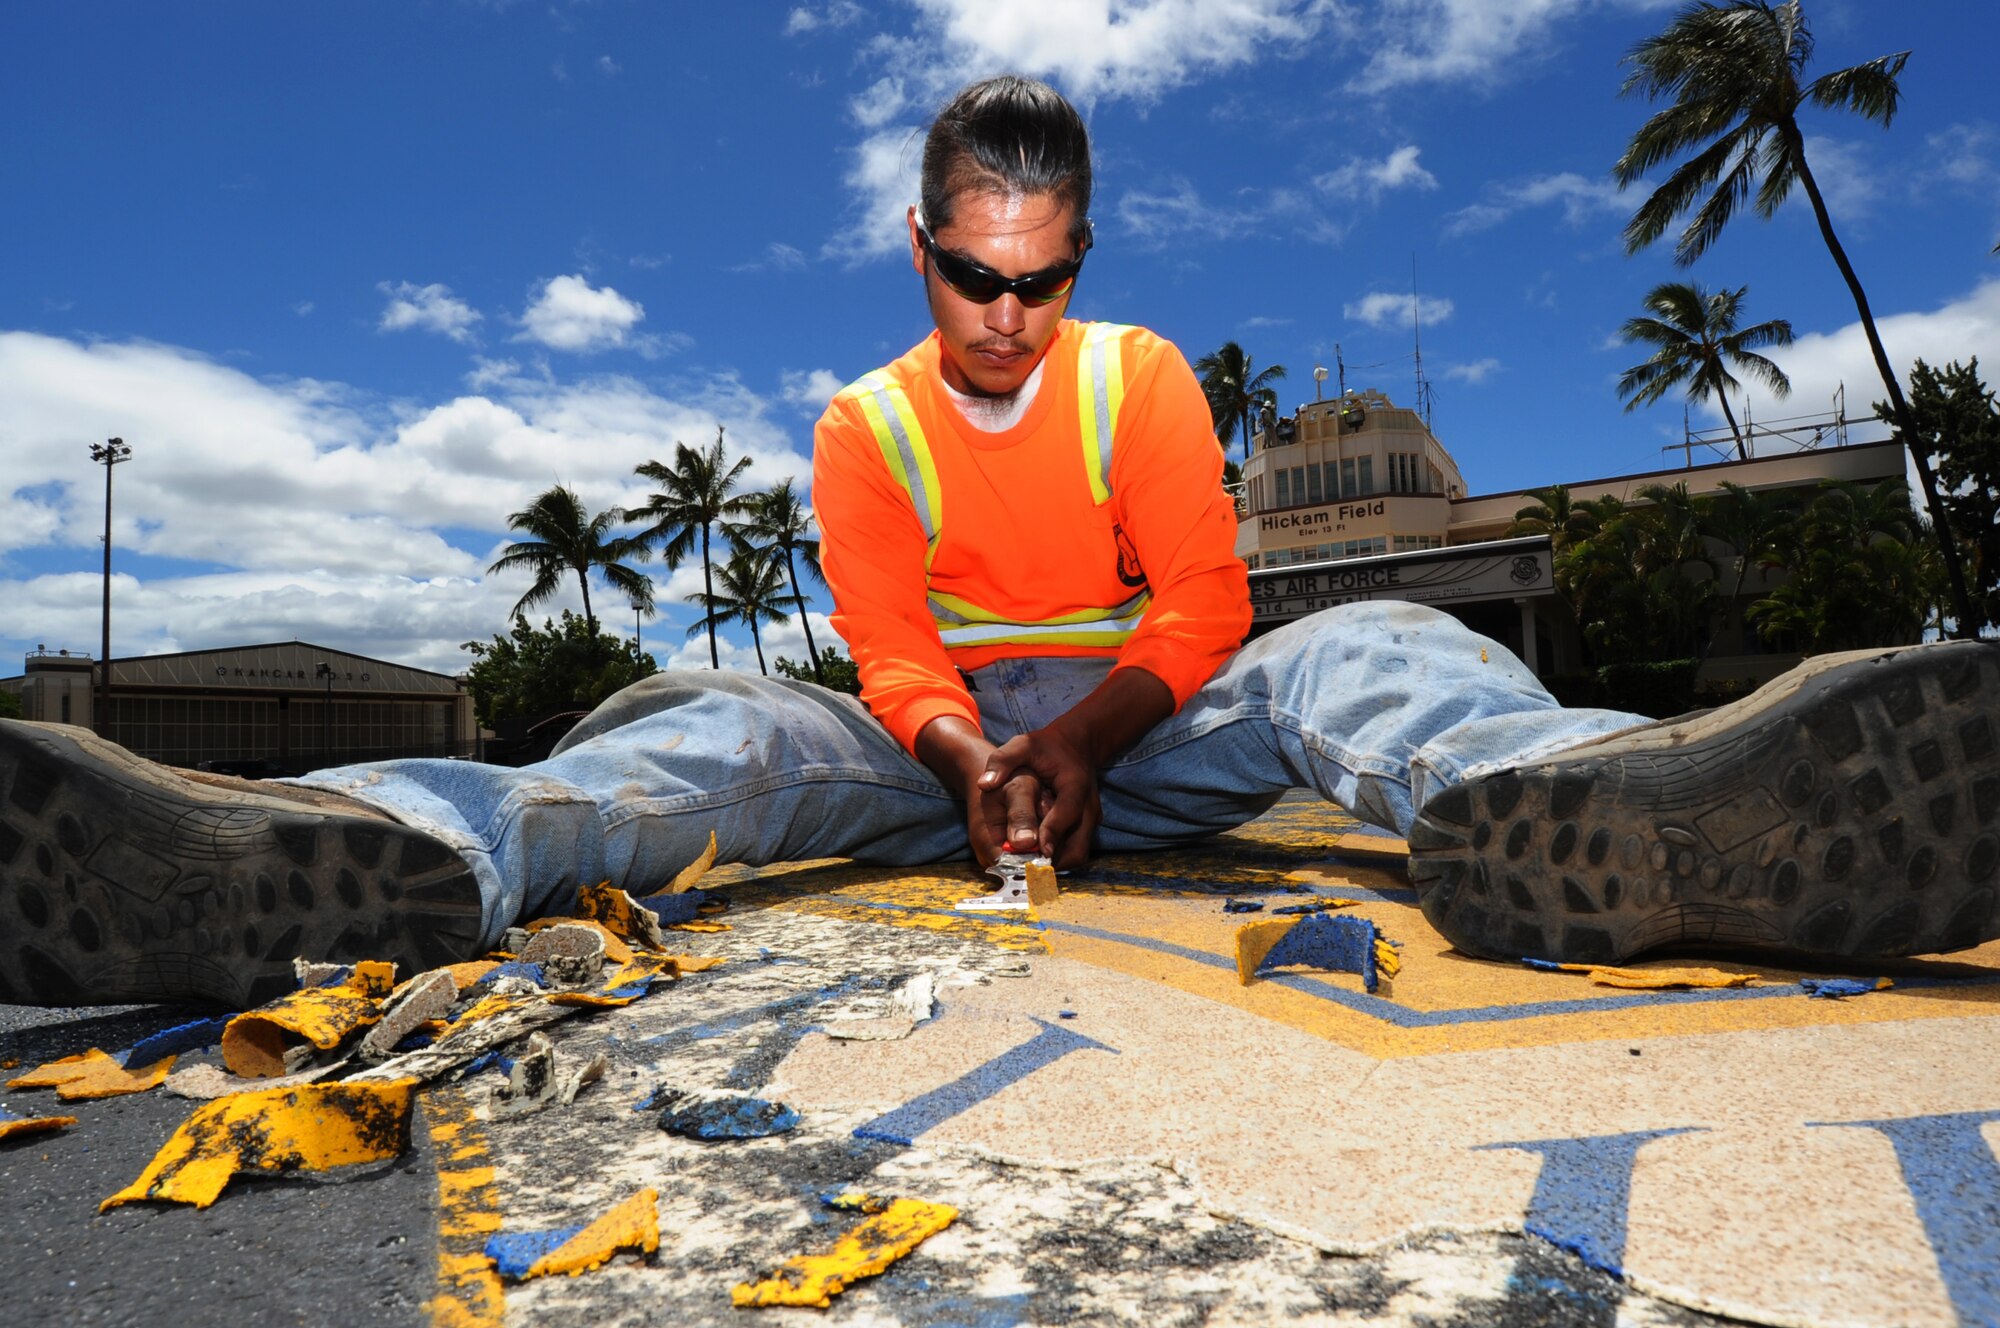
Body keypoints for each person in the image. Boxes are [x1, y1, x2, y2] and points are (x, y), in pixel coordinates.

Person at [1, 77, 1993, 1012]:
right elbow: (878, 650)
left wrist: (1082, 756)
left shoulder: (1137, 383)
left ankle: (1608, 814)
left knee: (1360, 642)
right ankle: (352, 847)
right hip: (922, 746)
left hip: (1136, 728)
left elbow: (1209, 605)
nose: (1000, 318)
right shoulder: (864, 425)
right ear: (922, 243)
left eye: (1036, 278)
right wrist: (974, 764)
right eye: (968, 272)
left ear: (1077, 258)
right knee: (696, 742)